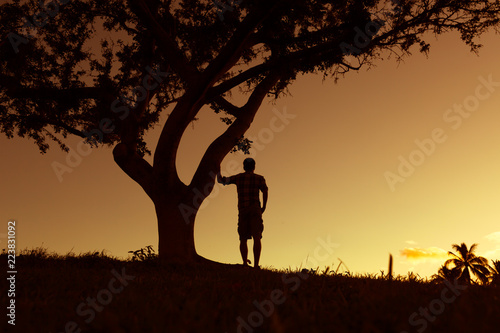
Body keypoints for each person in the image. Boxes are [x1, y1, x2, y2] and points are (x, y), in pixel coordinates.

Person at [217, 158, 268, 268]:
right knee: (257, 236)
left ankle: (245, 263)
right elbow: (265, 191)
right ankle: (256, 265)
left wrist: (217, 170)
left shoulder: (239, 177)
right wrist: (263, 206)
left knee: (243, 238)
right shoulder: (259, 178)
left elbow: (221, 181)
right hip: (255, 209)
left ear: (244, 166)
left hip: (243, 209)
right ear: (254, 167)